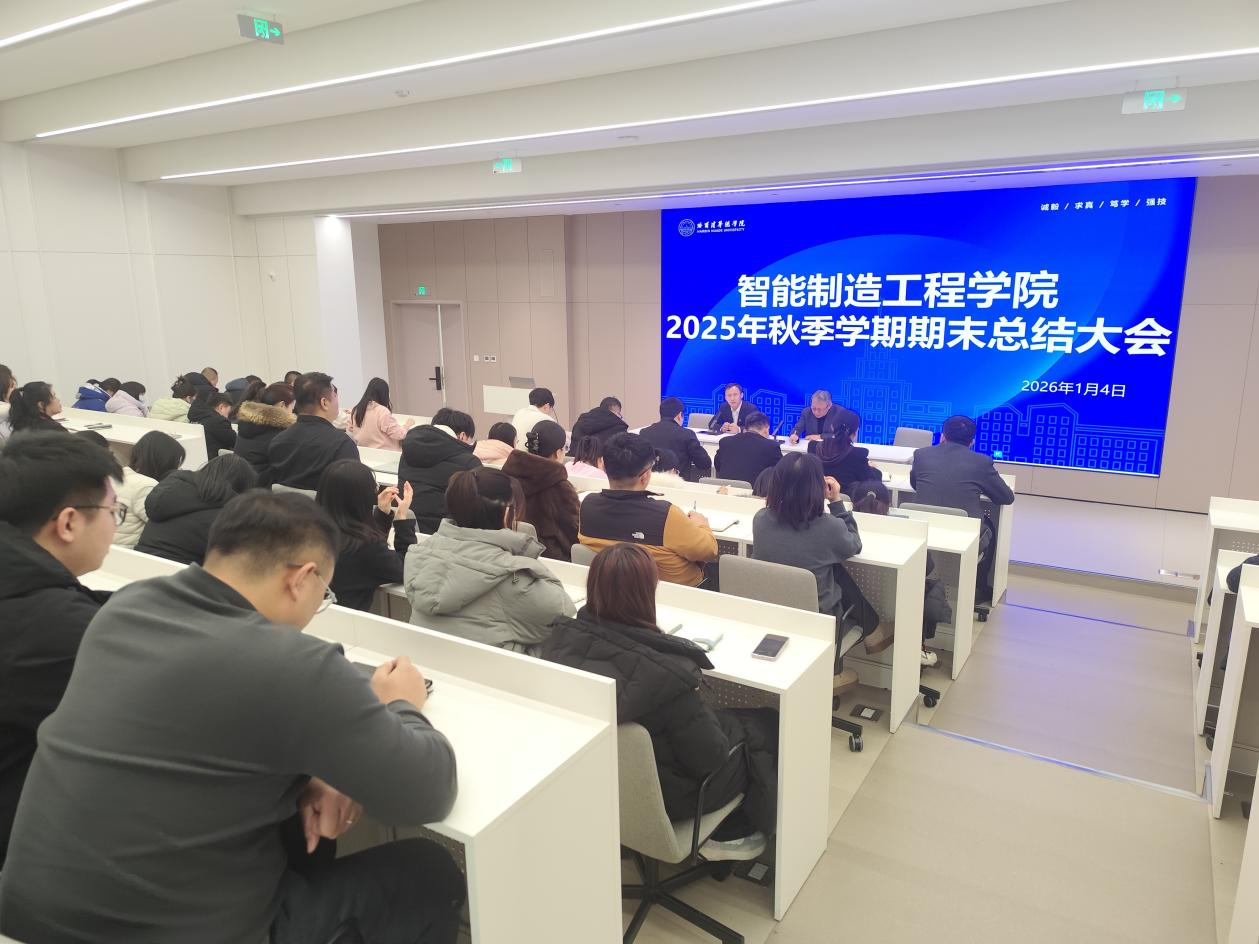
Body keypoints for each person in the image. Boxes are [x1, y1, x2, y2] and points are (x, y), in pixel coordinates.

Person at [0, 490, 463, 944]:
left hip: (29, 917)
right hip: (169, 931)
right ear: (302, 579)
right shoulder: (293, 662)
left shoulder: (125, 610)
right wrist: (401, 703)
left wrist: (314, 774)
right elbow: (427, 792)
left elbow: (203, 733)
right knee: (428, 872)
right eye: (323, 593)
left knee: (305, 841)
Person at [542, 543, 778, 859]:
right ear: (647, 595)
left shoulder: (558, 646)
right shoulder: (668, 676)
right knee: (765, 724)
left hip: (598, 787)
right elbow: (711, 759)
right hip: (673, 798)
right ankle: (735, 830)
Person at [0, 432, 122, 868]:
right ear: (68, 523)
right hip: (27, 858)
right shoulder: (60, 632)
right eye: (114, 512)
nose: (115, 525)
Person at [752, 452, 888, 694]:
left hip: (770, 617)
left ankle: (871, 633)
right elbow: (854, 544)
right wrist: (836, 501)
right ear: (817, 488)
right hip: (820, 624)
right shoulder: (829, 528)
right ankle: (866, 637)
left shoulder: (760, 520)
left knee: (830, 567)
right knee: (833, 567)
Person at [404, 467, 574, 654]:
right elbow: (564, 612)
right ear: (506, 514)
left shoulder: (421, 554)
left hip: (423, 665)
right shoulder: (513, 579)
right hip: (491, 670)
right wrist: (525, 561)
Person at [578, 432, 717, 586]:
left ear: (603, 466)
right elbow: (709, 551)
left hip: (611, 588)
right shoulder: (666, 515)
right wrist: (702, 525)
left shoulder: (587, 506)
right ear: (646, 476)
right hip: (676, 593)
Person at [849, 479, 950, 667]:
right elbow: (928, 567)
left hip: (853, 612)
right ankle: (919, 648)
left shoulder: (842, 532)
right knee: (928, 587)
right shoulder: (905, 534)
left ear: (853, 504)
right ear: (889, 505)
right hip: (897, 609)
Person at [317, 459, 416, 611]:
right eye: (374, 489)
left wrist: (382, 515)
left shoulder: (308, 533)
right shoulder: (364, 547)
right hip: (347, 624)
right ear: (361, 498)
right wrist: (402, 518)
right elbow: (406, 568)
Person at [137, 454, 258, 564]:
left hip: (137, 564)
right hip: (179, 575)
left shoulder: (170, 493)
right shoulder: (225, 518)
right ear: (242, 488)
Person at [909, 414, 1015, 519]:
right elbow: (1006, 497)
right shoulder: (981, 462)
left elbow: (915, 485)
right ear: (972, 442)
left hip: (923, 523)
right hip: (965, 527)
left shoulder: (921, 454)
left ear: (942, 437)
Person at [502, 419, 581, 560]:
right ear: (558, 453)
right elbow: (576, 533)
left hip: (510, 552)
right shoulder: (560, 488)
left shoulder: (507, 475)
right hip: (551, 560)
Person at [267, 372, 360, 489]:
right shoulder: (341, 445)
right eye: (335, 396)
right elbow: (354, 491)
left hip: (287, 501)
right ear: (324, 403)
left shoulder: (277, 442)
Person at [398, 408, 481, 534]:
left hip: (406, 528)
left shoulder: (408, 452)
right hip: (447, 535)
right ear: (462, 436)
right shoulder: (469, 463)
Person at [113, 431, 186, 549]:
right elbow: (167, 528)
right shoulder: (147, 486)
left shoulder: (118, 475)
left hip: (112, 549)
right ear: (165, 462)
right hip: (131, 553)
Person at [639, 396, 712, 482]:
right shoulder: (687, 434)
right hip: (679, 485)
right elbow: (705, 464)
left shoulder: (644, 433)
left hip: (650, 484)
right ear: (680, 415)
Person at [807, 408, 880, 493]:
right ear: (855, 433)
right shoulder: (858, 455)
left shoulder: (813, 447)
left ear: (832, 427)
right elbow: (873, 483)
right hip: (845, 500)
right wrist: (871, 468)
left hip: (817, 499)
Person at [235, 382, 296, 472]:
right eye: (292, 407)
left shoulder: (247, 423)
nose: (293, 412)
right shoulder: (280, 434)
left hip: (240, 478)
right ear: (282, 405)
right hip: (264, 480)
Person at [714, 410, 782, 485]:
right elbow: (780, 473)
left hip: (726, 489)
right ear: (766, 429)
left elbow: (717, 465)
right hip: (755, 491)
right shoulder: (772, 446)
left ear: (746, 428)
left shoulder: (725, 442)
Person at [347, 377, 414, 451]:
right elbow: (399, 434)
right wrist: (407, 425)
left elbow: (350, 429)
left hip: (365, 453)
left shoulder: (356, 410)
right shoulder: (382, 411)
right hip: (387, 453)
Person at [188, 391, 238, 456]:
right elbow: (235, 442)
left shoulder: (197, 416)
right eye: (228, 411)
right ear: (221, 407)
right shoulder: (219, 422)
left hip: (200, 456)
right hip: (217, 458)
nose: (228, 416)